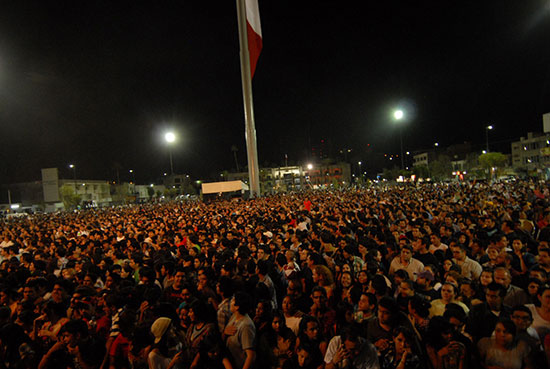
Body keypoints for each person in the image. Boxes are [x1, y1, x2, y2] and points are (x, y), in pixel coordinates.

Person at [224, 292, 256, 369]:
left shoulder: (246, 325)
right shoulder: (234, 316)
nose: (230, 302)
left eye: (233, 300)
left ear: (237, 307)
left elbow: (250, 355)